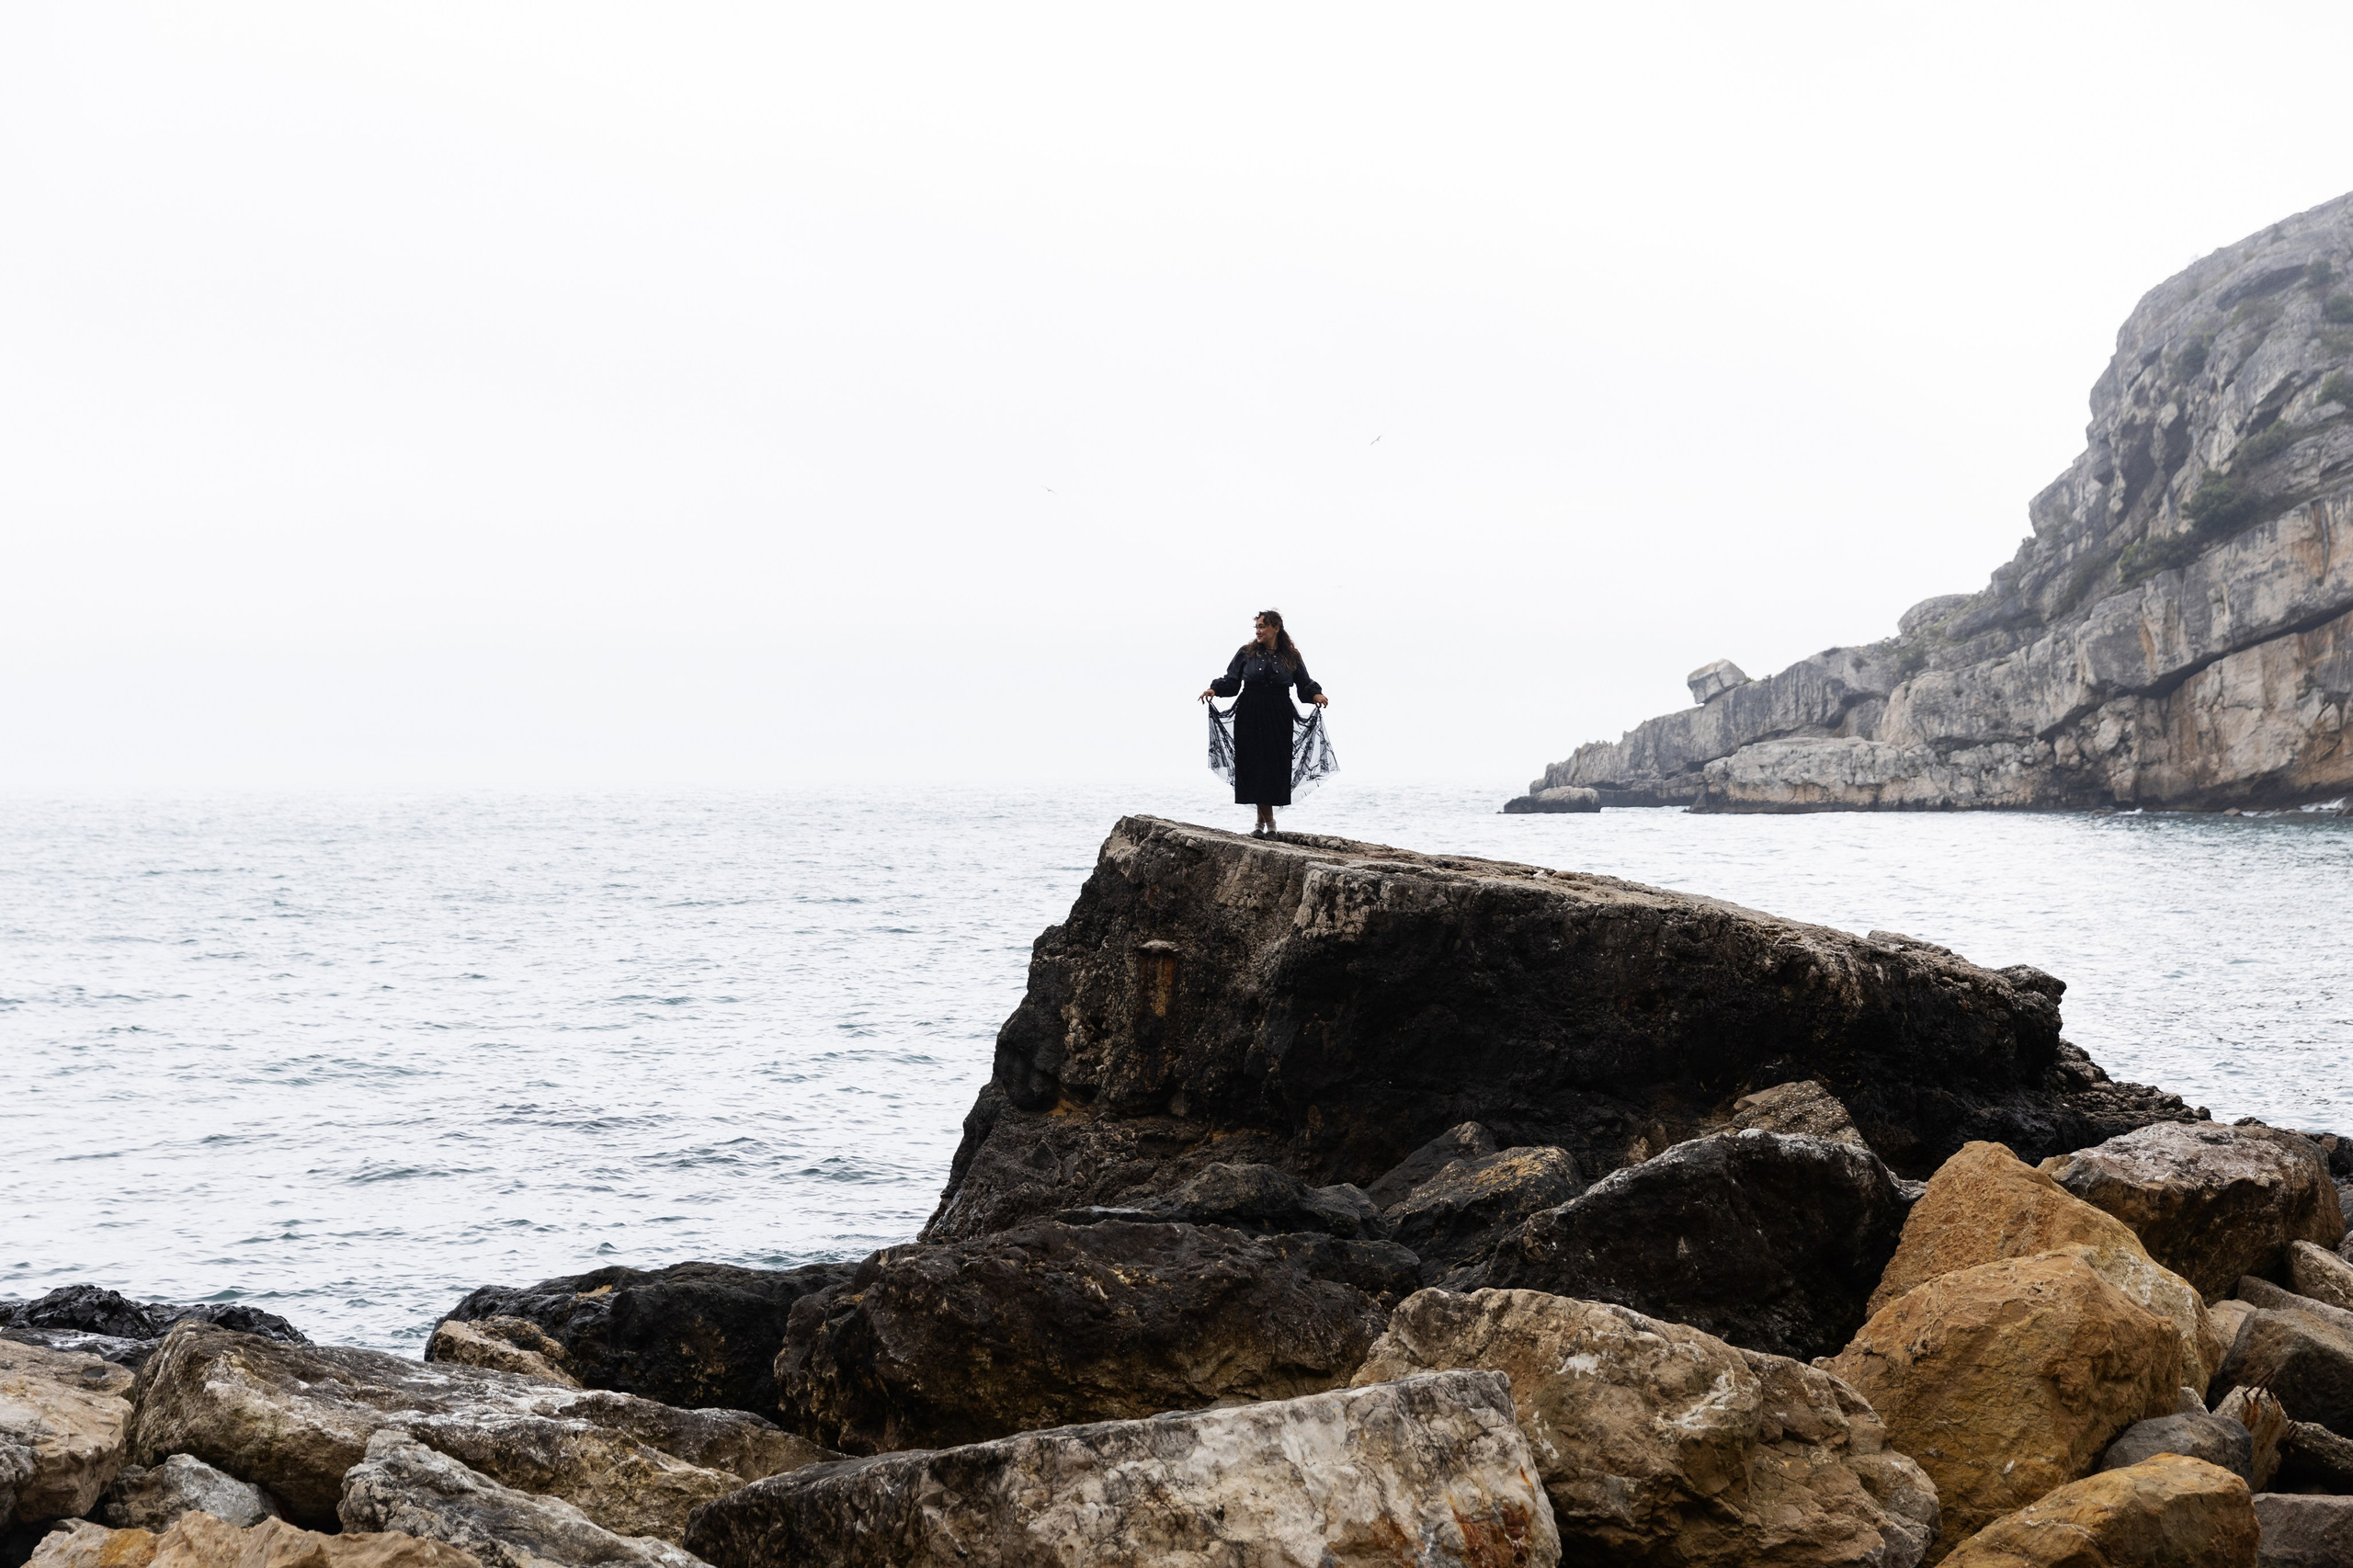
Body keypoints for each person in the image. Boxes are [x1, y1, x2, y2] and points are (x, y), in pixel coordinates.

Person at [1199, 609, 1329, 836]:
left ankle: (1259, 826)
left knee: (1272, 767)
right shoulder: (1246, 653)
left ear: (1276, 628)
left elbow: (1303, 684)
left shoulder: (1292, 656)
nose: (1258, 631)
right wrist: (1215, 690)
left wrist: (1315, 695)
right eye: (1257, 627)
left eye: (1262, 626)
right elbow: (1231, 682)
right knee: (1254, 766)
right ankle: (1270, 826)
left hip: (1278, 714)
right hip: (1249, 711)